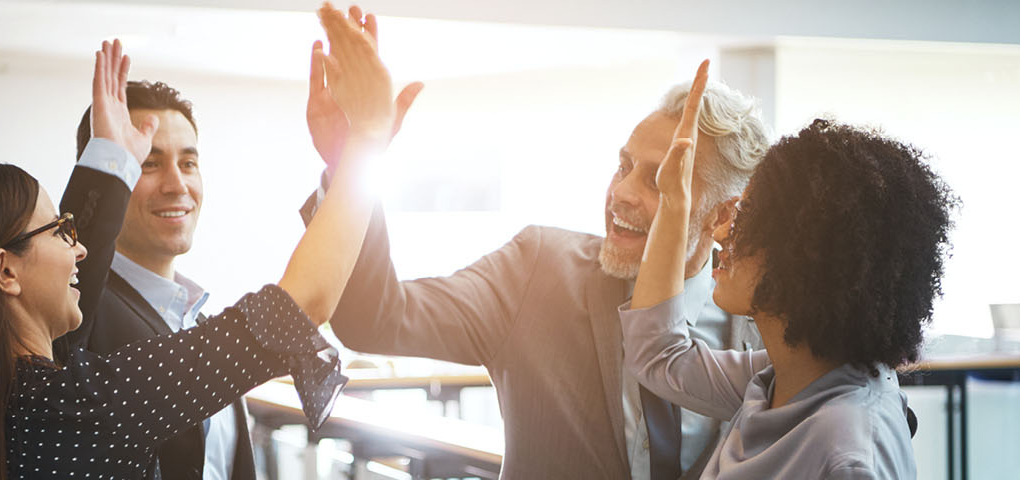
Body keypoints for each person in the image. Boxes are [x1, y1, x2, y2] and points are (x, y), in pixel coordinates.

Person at [0, 5, 397, 477]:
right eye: (61, 231)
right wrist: (366, 140)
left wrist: (113, 164)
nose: (79, 248)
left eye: (189, 161)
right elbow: (299, 303)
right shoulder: (78, 404)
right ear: (6, 271)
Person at [299, 7, 770, 478]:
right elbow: (374, 319)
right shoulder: (538, 270)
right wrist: (351, 164)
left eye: (658, 180)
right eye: (623, 166)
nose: (622, 193)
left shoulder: (769, 325)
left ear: (723, 216)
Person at [621, 64, 954, 478]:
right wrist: (675, 201)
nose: (723, 230)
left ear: (805, 256)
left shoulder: (849, 455)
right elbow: (660, 355)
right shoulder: (783, 376)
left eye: (747, 217)